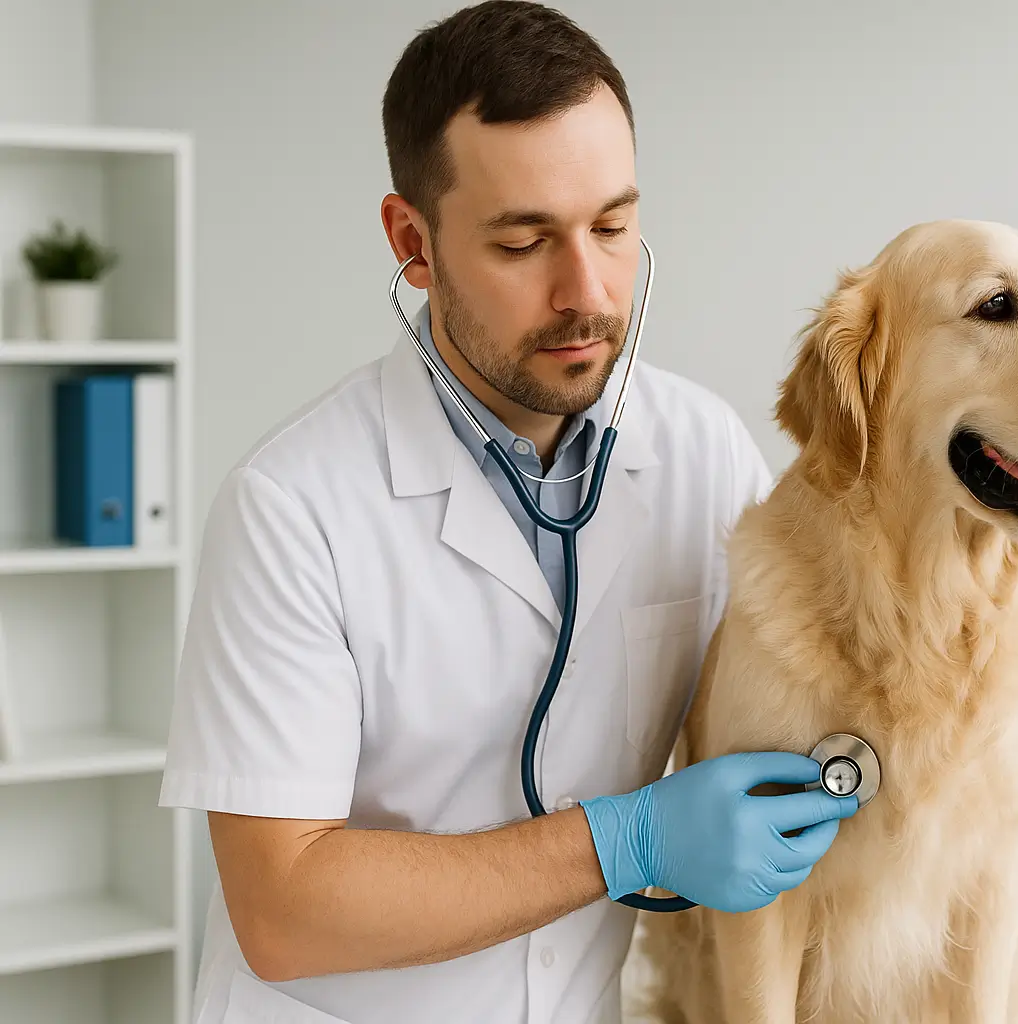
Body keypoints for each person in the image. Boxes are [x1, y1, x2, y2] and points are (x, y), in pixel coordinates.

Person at [158, 3, 858, 1021]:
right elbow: (284, 906)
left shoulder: (702, 453)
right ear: (414, 242)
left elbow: (806, 694)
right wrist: (631, 839)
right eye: (525, 241)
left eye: (613, 228)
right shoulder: (292, 507)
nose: (586, 291)